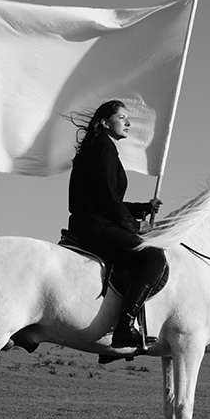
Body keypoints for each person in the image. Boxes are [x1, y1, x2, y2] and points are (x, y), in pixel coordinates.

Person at [67, 99, 166, 347]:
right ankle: (124, 326)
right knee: (153, 257)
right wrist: (135, 226)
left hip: (93, 220)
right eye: (122, 117)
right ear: (104, 122)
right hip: (94, 226)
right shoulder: (103, 148)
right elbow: (108, 199)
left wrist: (143, 209)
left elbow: (106, 198)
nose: (128, 122)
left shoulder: (102, 147)